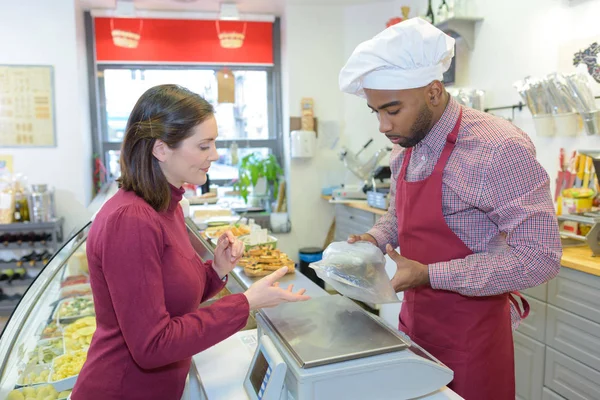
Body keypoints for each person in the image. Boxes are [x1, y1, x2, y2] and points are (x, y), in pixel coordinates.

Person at [339, 18, 561, 399]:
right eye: (375, 111)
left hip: (471, 340)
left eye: (392, 109)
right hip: (415, 327)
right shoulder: (405, 144)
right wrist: (373, 239)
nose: (383, 125)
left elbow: (541, 257)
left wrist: (430, 275)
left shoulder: (497, 149)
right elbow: (399, 215)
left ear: (434, 91)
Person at [72, 84, 310, 400]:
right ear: (160, 149)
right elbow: (152, 345)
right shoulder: (131, 220)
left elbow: (171, 296)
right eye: (203, 146)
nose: (214, 155)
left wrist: (217, 271)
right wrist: (246, 302)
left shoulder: (166, 206)